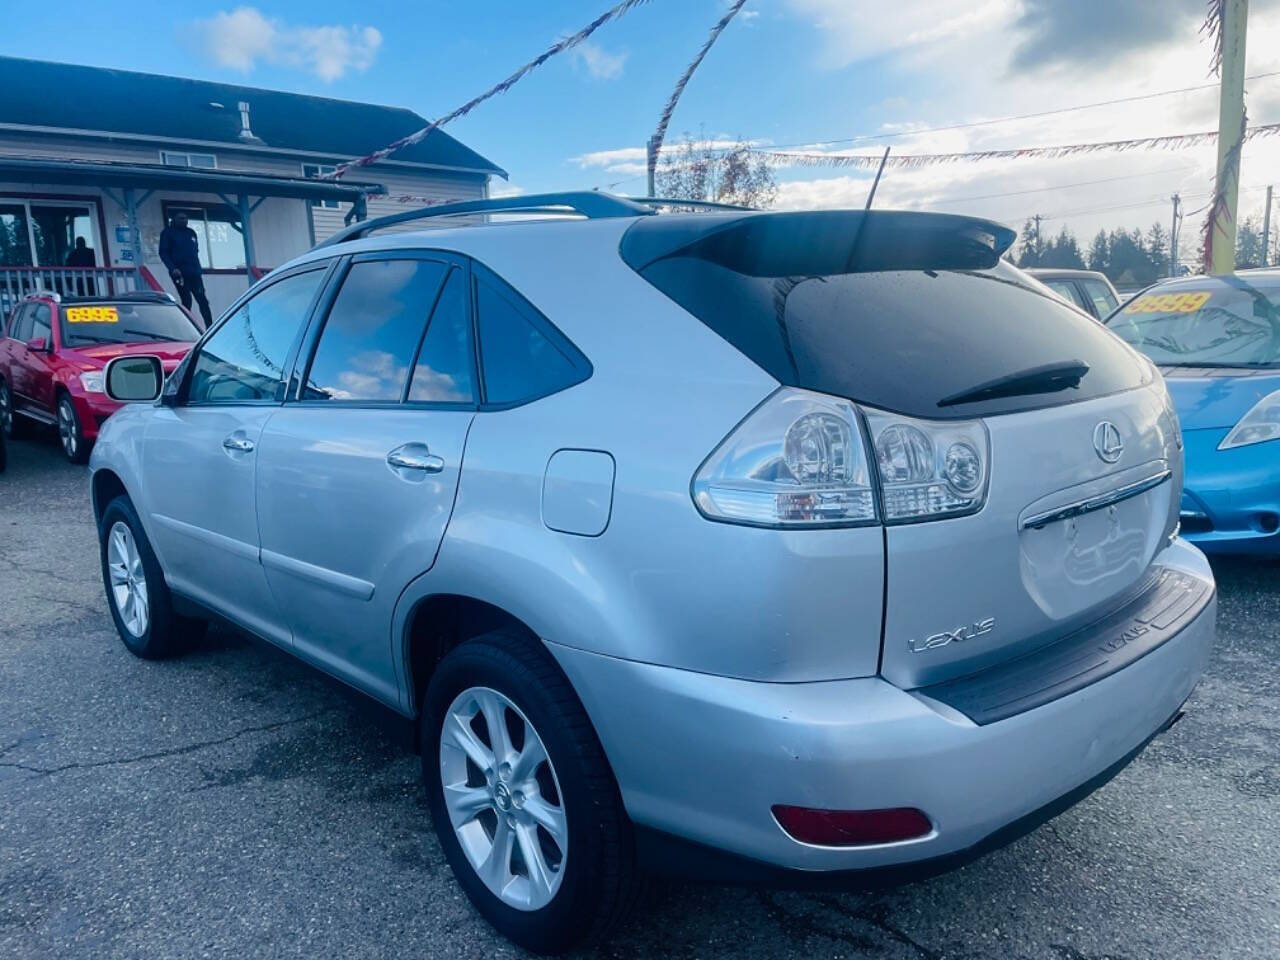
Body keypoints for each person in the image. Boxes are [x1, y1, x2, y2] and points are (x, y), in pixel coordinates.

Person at [158, 212, 213, 329]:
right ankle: (185, 328)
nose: (184, 220)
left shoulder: (191, 232)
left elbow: (196, 250)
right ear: (174, 219)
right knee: (186, 300)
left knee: (202, 300)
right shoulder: (167, 233)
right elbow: (163, 253)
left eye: (186, 218)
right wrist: (172, 268)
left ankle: (210, 327)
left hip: (194, 272)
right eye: (181, 218)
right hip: (179, 273)